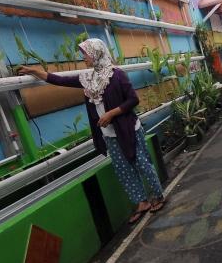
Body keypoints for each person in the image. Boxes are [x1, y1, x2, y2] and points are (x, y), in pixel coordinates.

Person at [19, 39, 164, 224]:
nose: (84, 58)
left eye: (86, 54)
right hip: (110, 135)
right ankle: (141, 202)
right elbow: (59, 80)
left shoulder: (116, 75)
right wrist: (34, 71)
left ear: (97, 54)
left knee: (142, 163)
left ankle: (158, 196)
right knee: (123, 170)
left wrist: (111, 114)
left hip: (128, 130)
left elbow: (133, 100)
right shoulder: (89, 79)